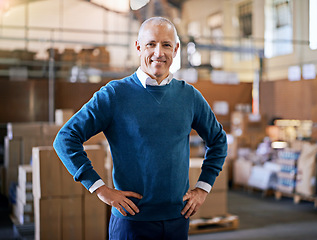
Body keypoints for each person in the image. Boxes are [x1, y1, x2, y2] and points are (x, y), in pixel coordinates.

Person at [53, 16, 227, 240]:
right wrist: (100, 189)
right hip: (131, 223)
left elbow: (218, 140)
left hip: (177, 219)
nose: (159, 53)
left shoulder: (189, 96)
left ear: (175, 50)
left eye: (166, 45)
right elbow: (65, 138)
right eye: (151, 44)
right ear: (138, 47)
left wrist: (203, 188)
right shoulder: (114, 94)